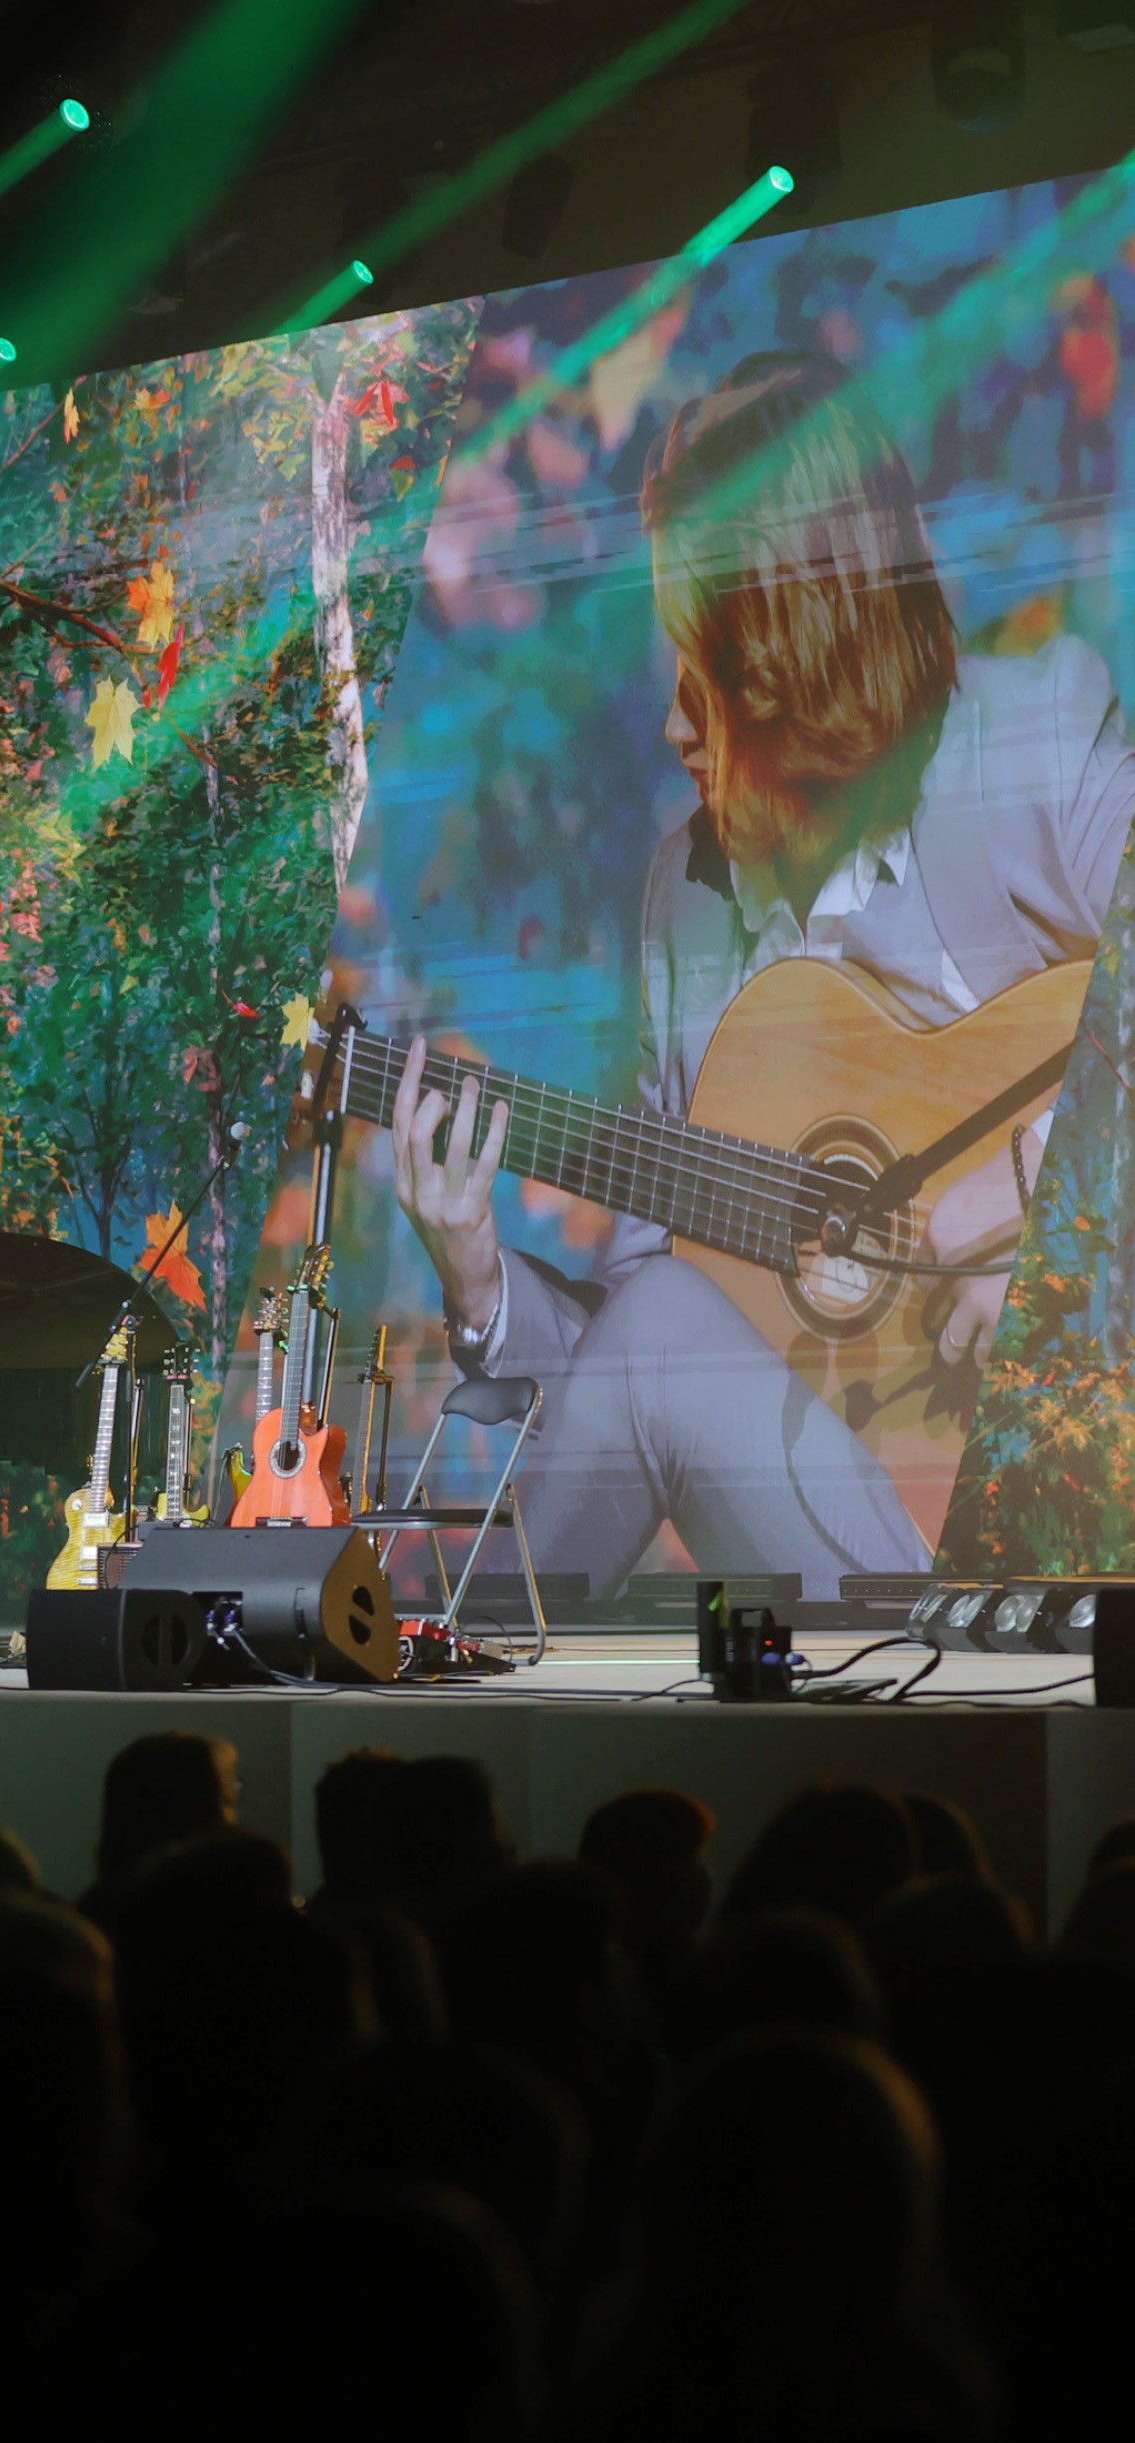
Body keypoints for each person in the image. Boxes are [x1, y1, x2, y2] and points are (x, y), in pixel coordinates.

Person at [388, 349, 1135, 1591]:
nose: (675, 724)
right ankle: (467, 1670)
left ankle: (443, 1678)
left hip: (1078, 1492)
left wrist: (1029, 1209)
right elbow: (637, 1370)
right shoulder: (684, 905)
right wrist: (476, 1280)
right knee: (663, 1323)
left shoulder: (1032, 745)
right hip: (860, 1529)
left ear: (802, 659)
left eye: (708, 674)